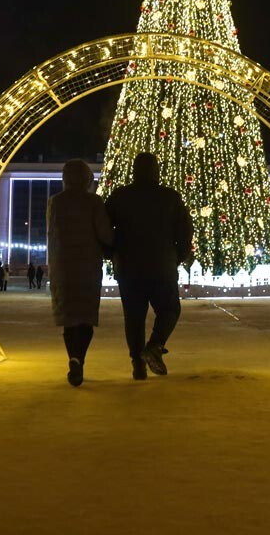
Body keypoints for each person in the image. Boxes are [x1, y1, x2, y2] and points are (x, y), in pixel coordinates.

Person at [105, 152, 194, 379]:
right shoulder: (170, 197)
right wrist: (177, 257)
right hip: (161, 267)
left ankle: (138, 364)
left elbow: (105, 231)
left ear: (134, 170)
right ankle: (154, 346)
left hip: (128, 268)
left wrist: (112, 254)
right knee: (170, 310)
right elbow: (185, 231)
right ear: (156, 171)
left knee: (133, 317)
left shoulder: (120, 196)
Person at [47, 158, 113, 387]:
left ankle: (73, 358)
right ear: (87, 178)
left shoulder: (55, 202)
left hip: (62, 267)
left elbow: (52, 234)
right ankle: (79, 358)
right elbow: (105, 234)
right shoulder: (93, 202)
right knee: (85, 318)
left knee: (69, 319)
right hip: (87, 267)